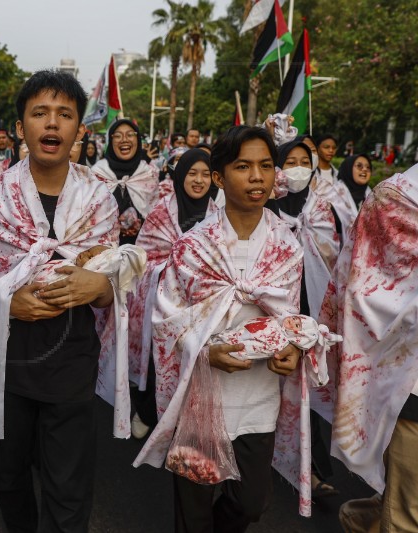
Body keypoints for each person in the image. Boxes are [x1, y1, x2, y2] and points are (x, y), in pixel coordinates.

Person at [0, 70, 134, 532]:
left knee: (67, 483)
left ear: (79, 130)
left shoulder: (98, 198)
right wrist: (7, 303)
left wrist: (102, 288)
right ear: (20, 127)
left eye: (64, 114)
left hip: (72, 356)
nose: (51, 124)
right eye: (39, 113)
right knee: (10, 478)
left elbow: (112, 268)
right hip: (8, 357)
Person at [134, 126, 327, 530]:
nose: (257, 177)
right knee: (194, 509)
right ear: (220, 178)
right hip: (201, 397)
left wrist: (293, 348)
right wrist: (205, 350)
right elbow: (167, 321)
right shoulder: (192, 246)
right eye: (243, 166)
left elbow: (288, 317)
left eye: (265, 166)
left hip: (258, 401)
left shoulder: (285, 246)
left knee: (250, 504)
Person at [325, 163, 418, 533]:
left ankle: (367, 518)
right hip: (408, 379)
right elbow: (365, 290)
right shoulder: (395, 200)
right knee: (409, 515)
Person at [129, 148, 218, 439]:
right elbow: (144, 260)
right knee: (160, 361)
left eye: (205, 174)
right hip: (163, 305)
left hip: (203, 306)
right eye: (192, 173)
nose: (199, 180)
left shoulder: (220, 216)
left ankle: (186, 419)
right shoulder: (160, 214)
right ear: (181, 176)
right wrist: (175, 265)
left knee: (193, 362)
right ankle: (147, 411)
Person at [274, 140, 341, 500]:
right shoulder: (265, 207)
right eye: (290, 162)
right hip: (272, 312)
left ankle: (313, 471)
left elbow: (332, 255)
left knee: (307, 389)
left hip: (310, 309)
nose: (298, 168)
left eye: (305, 162)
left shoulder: (321, 210)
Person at [91, 119, 160, 245]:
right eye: (117, 135)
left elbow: (155, 216)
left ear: (138, 139)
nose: (124, 140)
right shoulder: (97, 173)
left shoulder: (149, 173)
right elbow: (90, 218)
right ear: (110, 142)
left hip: (143, 250)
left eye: (130, 135)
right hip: (104, 250)